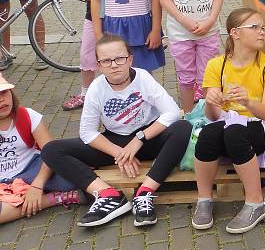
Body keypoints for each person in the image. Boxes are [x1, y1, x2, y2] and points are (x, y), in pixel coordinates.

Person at [40, 34, 192, 227]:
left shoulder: (143, 78)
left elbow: (171, 112)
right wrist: (120, 153)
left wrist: (139, 139)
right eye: (106, 61)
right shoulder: (96, 88)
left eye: (120, 58)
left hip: (149, 139)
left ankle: (144, 193)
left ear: (130, 59)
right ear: (99, 65)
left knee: (183, 128)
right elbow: (87, 133)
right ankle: (108, 196)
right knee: (52, 150)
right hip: (116, 143)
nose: (114, 65)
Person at [191, 8, 265, 234]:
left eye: (264, 28)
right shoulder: (217, 65)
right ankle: (204, 199)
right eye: (254, 27)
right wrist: (211, 102)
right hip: (227, 125)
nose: (262, 32)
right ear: (235, 33)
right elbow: (212, 118)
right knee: (207, 134)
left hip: (259, 126)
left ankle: (255, 202)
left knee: (234, 132)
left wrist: (247, 101)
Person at [0, 73, 84, 224]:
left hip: (30, 168)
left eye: (4, 92)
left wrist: (37, 185)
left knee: (72, 178)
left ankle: (23, 198)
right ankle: (53, 199)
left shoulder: (27, 116)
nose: (1, 99)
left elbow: (52, 152)